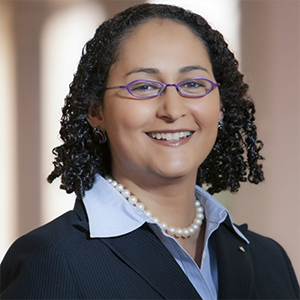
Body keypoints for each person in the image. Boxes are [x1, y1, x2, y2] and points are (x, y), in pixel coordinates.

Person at [1, 3, 299, 299]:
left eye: (193, 83)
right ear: (96, 110)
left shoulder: (269, 260)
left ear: (221, 106)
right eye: (143, 87)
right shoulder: (51, 259)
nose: (173, 109)